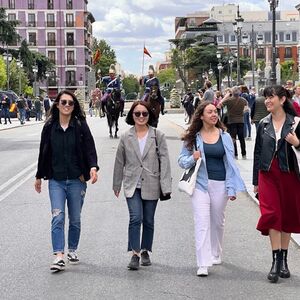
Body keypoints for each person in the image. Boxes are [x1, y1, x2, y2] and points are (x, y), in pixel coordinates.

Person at [178, 101, 246, 277]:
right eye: (210, 112)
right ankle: (203, 262)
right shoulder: (193, 137)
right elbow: (181, 160)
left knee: (217, 222)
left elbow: (231, 164)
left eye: (215, 111)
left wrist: (232, 188)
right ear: (201, 116)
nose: (214, 114)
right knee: (202, 222)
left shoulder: (224, 136)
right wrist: (193, 158)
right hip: (200, 184)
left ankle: (216, 253)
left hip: (221, 183)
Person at [34, 90, 99, 272]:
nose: (67, 106)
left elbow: (90, 148)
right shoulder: (49, 127)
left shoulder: (80, 125)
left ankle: (72, 249)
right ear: (57, 104)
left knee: (75, 219)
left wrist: (93, 167)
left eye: (71, 103)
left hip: (77, 180)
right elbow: (43, 152)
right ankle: (58, 255)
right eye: (64, 102)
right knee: (58, 216)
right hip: (56, 180)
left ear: (74, 106)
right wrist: (39, 176)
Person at [113, 100, 172, 271]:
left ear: (149, 115)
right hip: (132, 183)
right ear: (132, 115)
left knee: (148, 220)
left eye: (144, 113)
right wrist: (117, 184)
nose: (140, 116)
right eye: (137, 113)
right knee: (135, 218)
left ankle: (146, 249)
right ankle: (135, 253)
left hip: (152, 182)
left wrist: (165, 185)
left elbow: (165, 161)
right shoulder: (126, 136)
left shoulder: (157, 135)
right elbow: (119, 161)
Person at [253, 85, 300, 283]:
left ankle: (284, 260)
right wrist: (255, 181)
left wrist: (297, 143)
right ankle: (275, 261)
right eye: (266, 98)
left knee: (287, 214)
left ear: (282, 100)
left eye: (271, 97)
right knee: (272, 215)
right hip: (267, 175)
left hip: (289, 174)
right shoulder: (262, 124)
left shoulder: (296, 123)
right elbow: (257, 153)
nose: (267, 101)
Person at [218, 86, 248, 159]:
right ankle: (244, 154)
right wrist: (241, 113)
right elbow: (246, 109)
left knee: (233, 138)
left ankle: (235, 154)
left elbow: (219, 105)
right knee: (241, 138)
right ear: (239, 92)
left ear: (232, 92)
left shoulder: (228, 100)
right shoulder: (243, 100)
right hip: (241, 121)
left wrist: (226, 96)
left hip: (231, 121)